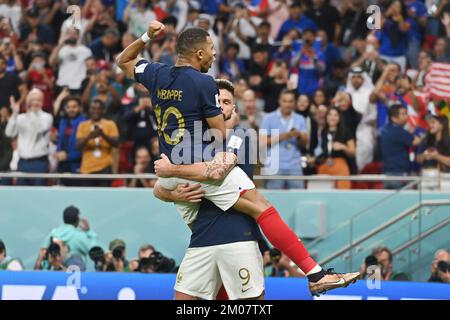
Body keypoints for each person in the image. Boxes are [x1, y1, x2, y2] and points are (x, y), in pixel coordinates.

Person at [117, 21, 359, 296]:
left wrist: (148, 35)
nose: (214, 54)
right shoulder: (204, 84)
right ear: (198, 54)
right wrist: (217, 120)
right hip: (196, 169)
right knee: (261, 206)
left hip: (171, 174)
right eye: (210, 48)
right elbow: (219, 137)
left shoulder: (156, 73)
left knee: (199, 231)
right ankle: (315, 273)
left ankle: (313, 274)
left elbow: (123, 59)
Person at [155, 79, 266, 300]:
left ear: (233, 109)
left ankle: (312, 271)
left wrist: (173, 170)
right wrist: (172, 193)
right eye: (218, 101)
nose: (222, 106)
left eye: (227, 102)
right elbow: (159, 188)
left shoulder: (239, 136)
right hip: (203, 235)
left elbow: (216, 172)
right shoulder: (194, 142)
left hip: (237, 233)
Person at [260, 89, 308, 189]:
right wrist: (285, 136)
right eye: (285, 101)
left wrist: (299, 135)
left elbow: (305, 142)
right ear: (280, 101)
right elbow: (262, 142)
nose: (288, 104)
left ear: (294, 103)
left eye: (290, 101)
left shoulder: (300, 119)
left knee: (298, 197)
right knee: (274, 198)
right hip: (274, 164)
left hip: (294, 164)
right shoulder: (268, 118)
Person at [5, 88, 53, 186]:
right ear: (28, 101)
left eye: (38, 100)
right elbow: (9, 133)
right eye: (32, 99)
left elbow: (39, 129)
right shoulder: (21, 118)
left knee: (39, 195)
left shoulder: (47, 117)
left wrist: (32, 113)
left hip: (39, 163)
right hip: (22, 162)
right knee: (22, 195)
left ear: (42, 102)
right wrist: (14, 114)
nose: (35, 102)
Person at [76, 99, 119, 187]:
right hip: (86, 169)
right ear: (89, 110)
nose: (95, 111)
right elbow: (78, 146)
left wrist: (102, 134)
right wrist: (89, 136)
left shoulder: (110, 124)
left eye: (98, 109)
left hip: (105, 168)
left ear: (103, 110)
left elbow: (116, 143)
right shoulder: (83, 125)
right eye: (93, 108)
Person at [380, 104, 422, 189]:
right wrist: (425, 135)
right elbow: (416, 142)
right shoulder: (399, 131)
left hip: (387, 172)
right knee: (405, 200)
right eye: (403, 114)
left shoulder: (386, 129)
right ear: (393, 118)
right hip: (398, 174)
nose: (406, 117)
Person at [315, 106, 356, 189]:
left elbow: (353, 152)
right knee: (321, 192)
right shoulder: (323, 131)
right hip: (324, 163)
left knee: (343, 191)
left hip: (340, 163)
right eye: (330, 115)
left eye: (335, 115)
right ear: (326, 117)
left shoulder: (346, 131)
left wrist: (343, 147)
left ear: (339, 117)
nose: (332, 117)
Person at [48, 27, 92, 95]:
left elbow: (91, 67)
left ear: (78, 36)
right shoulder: (61, 50)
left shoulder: (86, 51)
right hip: (62, 84)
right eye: (69, 33)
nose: (72, 35)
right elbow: (51, 62)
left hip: (79, 85)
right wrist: (60, 44)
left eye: (74, 34)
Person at [55, 96, 86, 185]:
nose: (71, 110)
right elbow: (60, 140)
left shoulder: (84, 123)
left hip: (77, 165)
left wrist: (68, 156)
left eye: (74, 107)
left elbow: (84, 147)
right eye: (68, 107)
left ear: (80, 108)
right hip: (62, 164)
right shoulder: (63, 121)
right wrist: (58, 152)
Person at [416, 115, 450, 190]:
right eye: (430, 123)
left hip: (446, 178)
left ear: (442, 125)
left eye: (433, 122)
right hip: (426, 176)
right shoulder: (426, 140)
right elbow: (418, 159)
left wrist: (436, 156)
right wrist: (424, 155)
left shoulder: (448, 141)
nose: (430, 125)